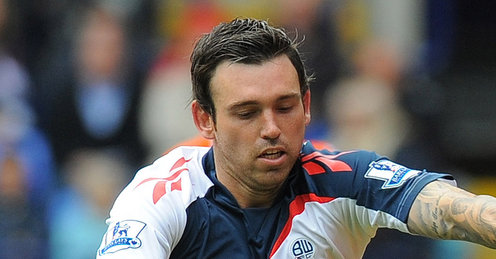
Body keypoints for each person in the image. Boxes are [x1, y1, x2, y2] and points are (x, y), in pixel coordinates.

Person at [96, 18, 496, 258]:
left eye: (284, 107)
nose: (271, 128)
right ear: (205, 120)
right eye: (247, 112)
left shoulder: (343, 179)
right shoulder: (161, 197)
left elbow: (453, 209)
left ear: (306, 105)